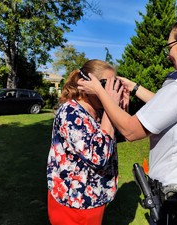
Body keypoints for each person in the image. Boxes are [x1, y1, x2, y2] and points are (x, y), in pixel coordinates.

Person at [78, 12, 177, 225]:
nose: (168, 54)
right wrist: (135, 88)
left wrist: (100, 90)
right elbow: (174, 109)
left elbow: (130, 131)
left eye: (169, 46)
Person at [46, 59, 127, 225]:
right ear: (87, 86)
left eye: (114, 84)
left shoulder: (97, 111)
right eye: (105, 84)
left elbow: (117, 137)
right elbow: (98, 155)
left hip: (91, 197)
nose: (110, 90)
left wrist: (120, 110)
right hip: (75, 201)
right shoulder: (71, 112)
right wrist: (111, 105)